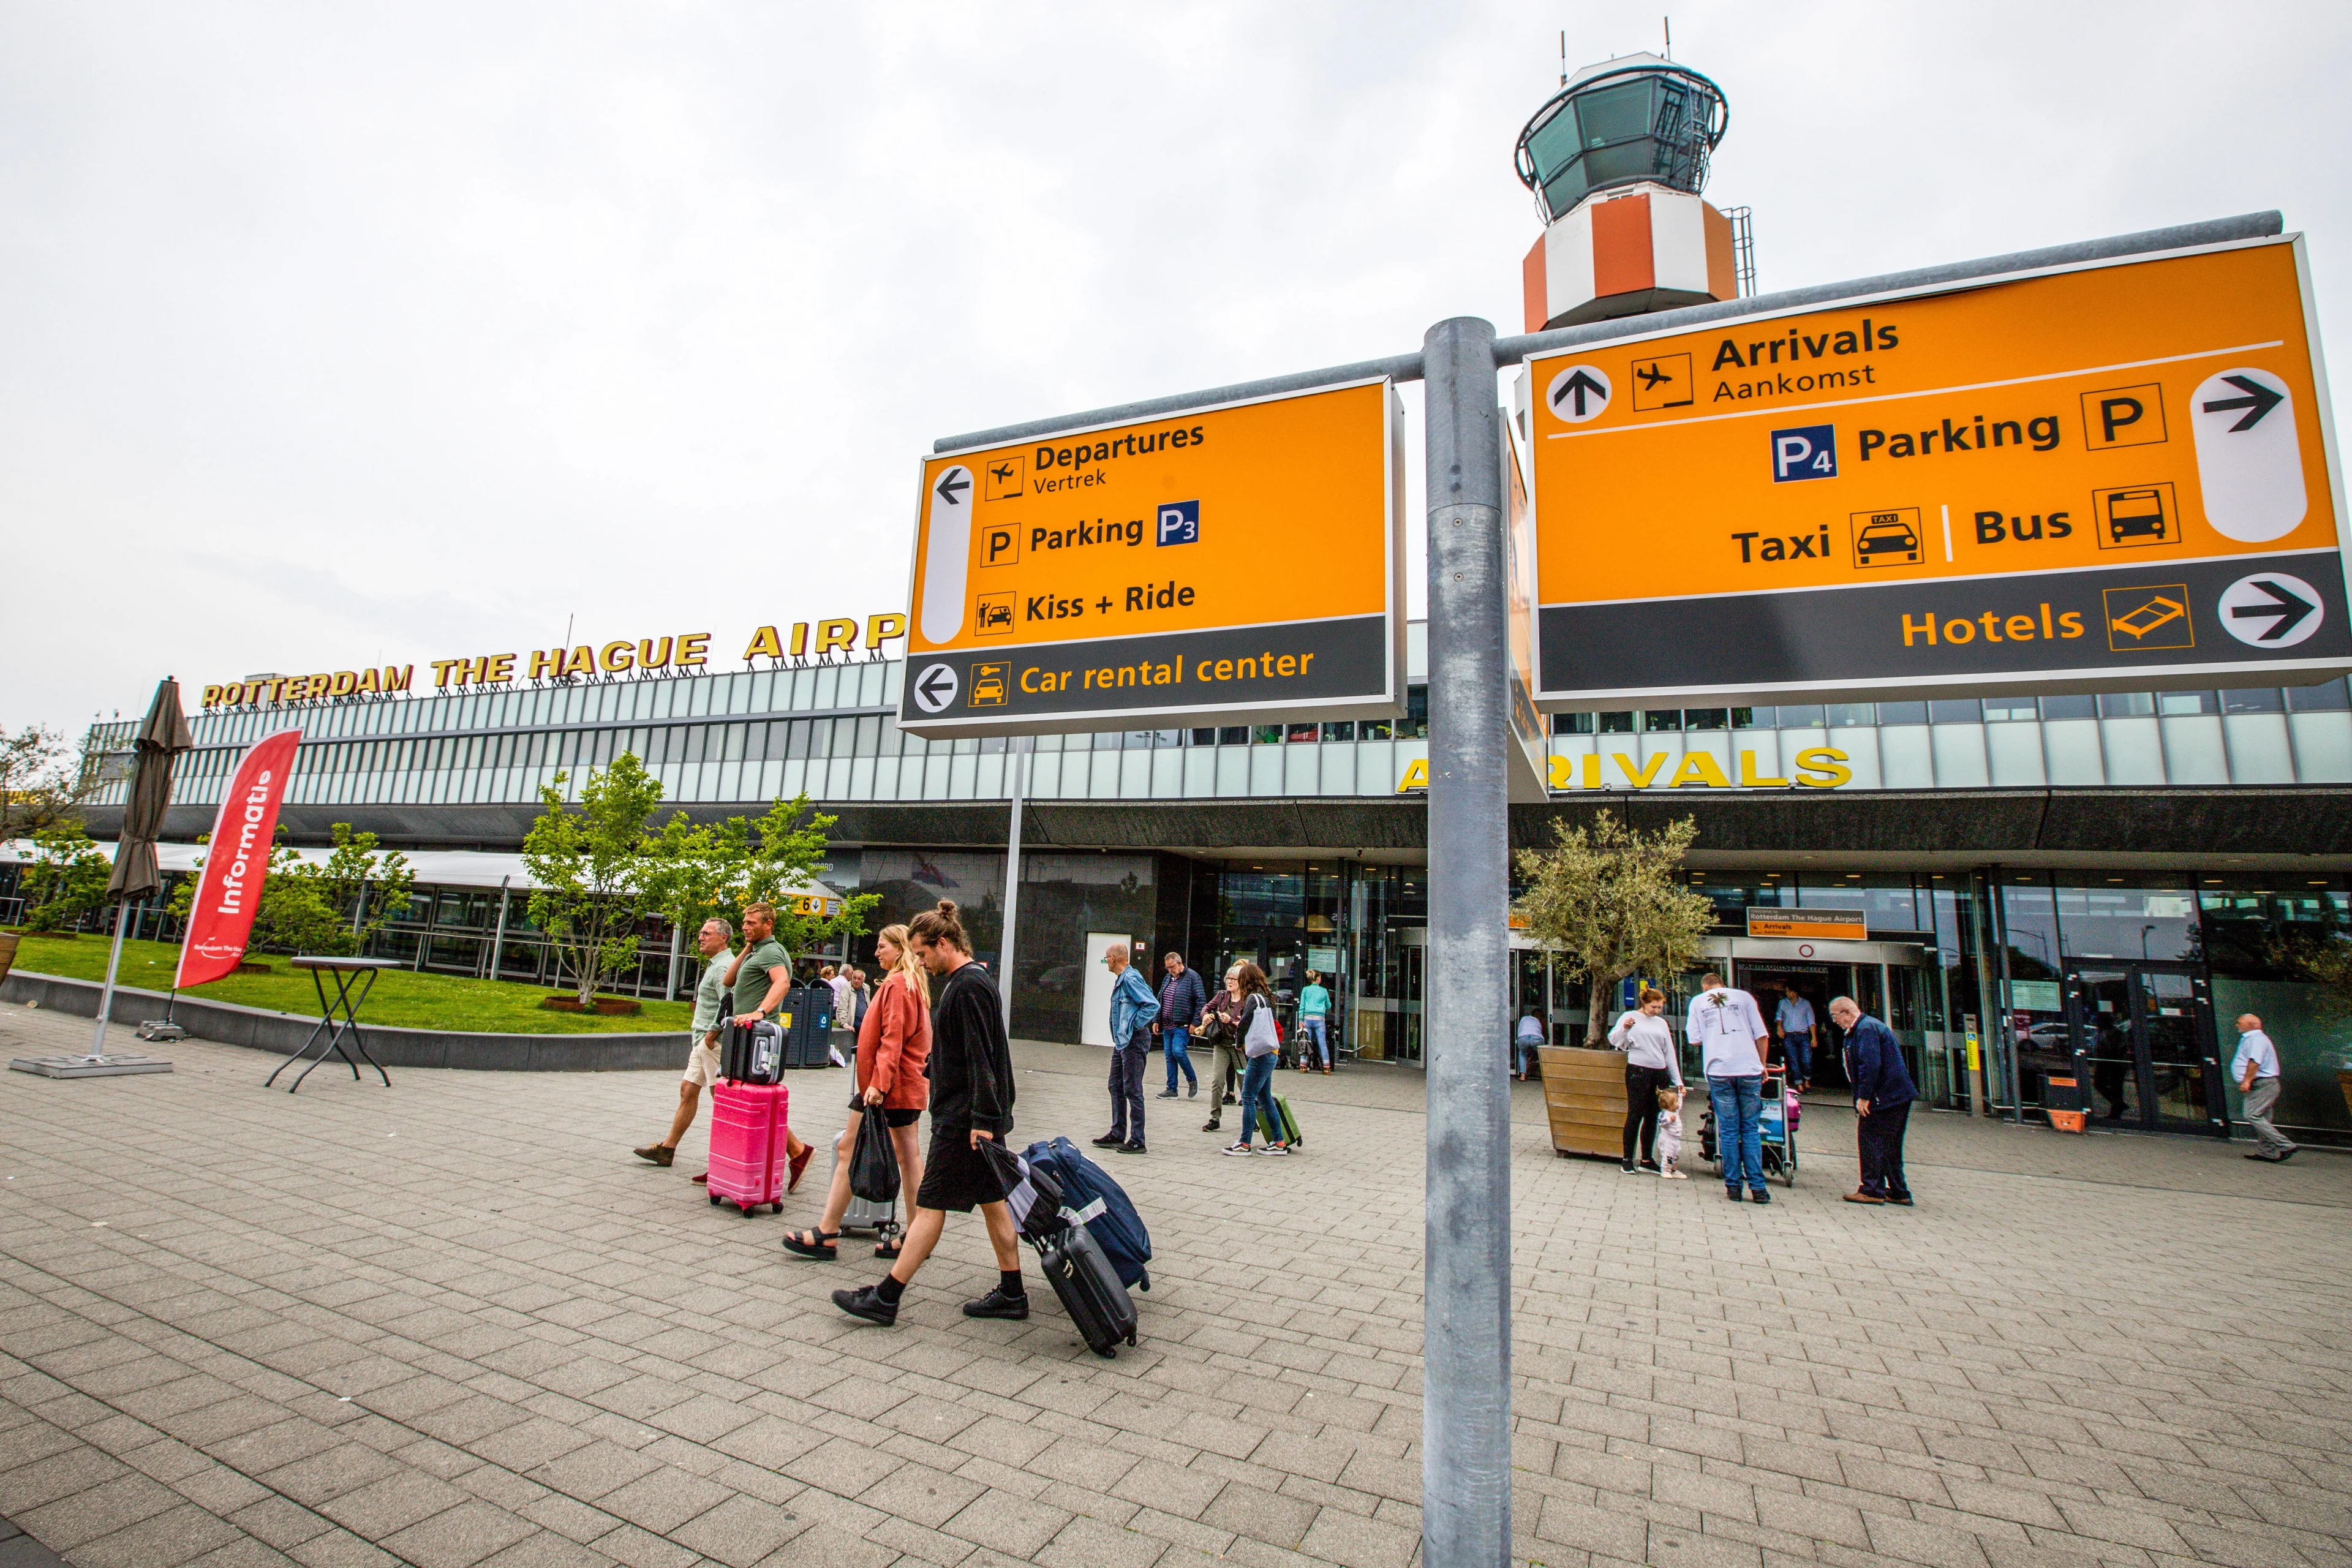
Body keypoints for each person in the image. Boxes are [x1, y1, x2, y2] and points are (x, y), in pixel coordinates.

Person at [832, 900, 1029, 1327]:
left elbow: (983, 1057)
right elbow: (967, 1050)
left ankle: (886, 1297)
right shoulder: (971, 982)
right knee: (995, 1204)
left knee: (930, 1204)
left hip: (964, 1121)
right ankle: (1012, 1291)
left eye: (922, 954)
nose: (921, 962)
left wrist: (981, 1120)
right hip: (975, 1118)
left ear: (944, 943)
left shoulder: (968, 986)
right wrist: (936, 1067)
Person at [783, 925, 933, 1261]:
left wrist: (878, 1086)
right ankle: (916, 1234)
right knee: (908, 1157)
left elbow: (892, 1039)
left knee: (859, 1151)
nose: (877, 952)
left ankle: (827, 1233)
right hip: (901, 1085)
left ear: (900, 948)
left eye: (882, 946)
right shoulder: (910, 983)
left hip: (884, 1087)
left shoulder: (897, 984)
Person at [726, 902, 816, 1193]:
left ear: (768, 925)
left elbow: (784, 983)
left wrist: (760, 1012)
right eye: (744, 922)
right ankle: (734, 1160)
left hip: (758, 1037)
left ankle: (798, 1151)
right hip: (744, 1035)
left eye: (752, 923)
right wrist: (748, 947)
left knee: (759, 1103)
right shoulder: (758, 950)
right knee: (749, 1101)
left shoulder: (773, 952)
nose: (745, 927)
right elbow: (729, 980)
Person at [634, 917, 735, 1168]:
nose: (700, 937)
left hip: (712, 1044)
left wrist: (712, 1035)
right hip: (703, 1042)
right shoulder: (716, 964)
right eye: (700, 933)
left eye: (706, 933)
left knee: (723, 1101)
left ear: (723, 938)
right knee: (687, 1091)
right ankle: (667, 1149)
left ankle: (789, 1150)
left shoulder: (724, 967)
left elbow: (730, 1004)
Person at [1689, 971, 1772, 1203]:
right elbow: (1762, 1035)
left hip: (1719, 1070)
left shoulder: (1698, 1002)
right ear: (1722, 985)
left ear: (1706, 987)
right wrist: (1762, 1065)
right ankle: (1759, 1189)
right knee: (1750, 1129)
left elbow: (1694, 1039)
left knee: (1727, 1130)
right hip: (1748, 1068)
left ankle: (1733, 1187)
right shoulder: (1744, 997)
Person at [1833, 995, 1916, 1204]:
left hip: (1883, 1097)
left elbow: (1869, 1065)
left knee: (1870, 1139)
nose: (1834, 1021)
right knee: (1890, 1144)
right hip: (1897, 1095)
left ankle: (1872, 1190)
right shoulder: (1866, 1027)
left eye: (1835, 1016)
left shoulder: (1865, 1029)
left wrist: (1864, 1097)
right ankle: (1898, 1191)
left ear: (1847, 1012)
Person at [1093, 941, 1158, 1155]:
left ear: (1114, 959)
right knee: (1115, 1086)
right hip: (1122, 1042)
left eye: (1106, 958)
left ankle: (1138, 1140)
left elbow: (1152, 1005)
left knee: (1132, 1089)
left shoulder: (1131, 978)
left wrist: (1134, 1025)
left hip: (1133, 1041)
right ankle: (1117, 1134)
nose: (1106, 962)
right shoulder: (1123, 979)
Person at [1609, 987, 1683, 1174]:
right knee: (1635, 1114)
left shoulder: (1661, 1023)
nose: (1656, 1011)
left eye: (1659, 1007)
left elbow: (1669, 1052)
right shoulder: (1631, 1017)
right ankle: (1627, 1159)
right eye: (1653, 1007)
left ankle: (1647, 1159)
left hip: (1659, 1072)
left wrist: (1678, 1080)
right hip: (1638, 1070)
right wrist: (1625, 1029)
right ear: (1645, 1003)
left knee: (1652, 1116)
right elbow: (1615, 1040)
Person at [1223, 962, 1290, 1156]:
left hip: (1259, 1054)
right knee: (1265, 1098)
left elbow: (1245, 1022)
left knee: (1248, 1097)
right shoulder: (1266, 997)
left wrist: (1238, 1041)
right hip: (1270, 1053)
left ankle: (1244, 1144)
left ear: (1246, 980)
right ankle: (1278, 1142)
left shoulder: (1253, 998)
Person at [2232, 1013, 2297, 1162]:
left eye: (2239, 1022)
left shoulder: (2256, 1040)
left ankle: (2286, 1145)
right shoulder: (2253, 1039)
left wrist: (2246, 1081)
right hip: (2263, 1084)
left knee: (2252, 1115)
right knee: (2263, 1119)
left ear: (2251, 1024)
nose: (2237, 1025)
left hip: (2262, 1084)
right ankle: (2266, 1152)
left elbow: (2255, 1062)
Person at [1199, 967, 1246, 1132]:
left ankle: (1252, 1119)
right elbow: (1206, 1008)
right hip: (1221, 1045)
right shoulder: (1222, 996)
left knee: (1244, 1084)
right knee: (1217, 1081)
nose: (1230, 982)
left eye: (1234, 979)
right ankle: (1214, 1118)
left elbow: (1247, 1023)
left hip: (1238, 1047)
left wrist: (1232, 1021)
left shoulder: (1247, 1000)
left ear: (1242, 982)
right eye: (1228, 979)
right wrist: (1205, 1015)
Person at [1154, 950, 1205, 1099]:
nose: (1170, 970)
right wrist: (1156, 1019)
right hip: (1167, 1025)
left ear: (1180, 963)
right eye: (1167, 968)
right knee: (1169, 1056)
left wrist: (1196, 1022)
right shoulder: (1167, 978)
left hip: (1182, 1024)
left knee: (1178, 1051)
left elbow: (1201, 1001)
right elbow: (1160, 999)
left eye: (1172, 967)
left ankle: (1192, 1079)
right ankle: (1172, 1089)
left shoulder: (1193, 977)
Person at [1776, 984, 1817, 1092]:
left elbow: (1811, 1021)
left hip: (1803, 1034)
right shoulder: (1783, 1003)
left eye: (1789, 991)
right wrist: (1779, 1028)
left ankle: (1807, 1079)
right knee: (1793, 1059)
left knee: (1806, 1060)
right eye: (1786, 991)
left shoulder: (1805, 1004)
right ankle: (1799, 1082)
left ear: (1796, 992)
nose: (1787, 993)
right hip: (1789, 1035)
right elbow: (1779, 1017)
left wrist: (1814, 1037)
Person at [1297, 970, 1334, 1074]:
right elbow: (1328, 1005)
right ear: (1318, 979)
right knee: (1322, 1043)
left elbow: (1302, 1006)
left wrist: (1301, 1020)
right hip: (1320, 1020)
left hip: (1307, 1019)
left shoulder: (1305, 990)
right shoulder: (1324, 991)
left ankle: (1303, 1066)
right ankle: (1326, 1067)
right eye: (1320, 978)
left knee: (1307, 1041)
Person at [1513, 1011, 1545, 1081]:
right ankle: (1544, 1075)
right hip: (1536, 1038)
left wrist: (1518, 1040)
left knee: (1522, 1054)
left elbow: (1520, 1029)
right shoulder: (1539, 1021)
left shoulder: (1524, 1018)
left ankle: (1523, 1076)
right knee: (1541, 1055)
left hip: (1523, 1037)